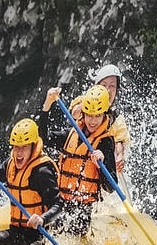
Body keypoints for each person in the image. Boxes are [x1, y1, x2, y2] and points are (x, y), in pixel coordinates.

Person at [38, 84, 119, 234]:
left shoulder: (105, 142)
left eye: (97, 116)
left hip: (82, 210)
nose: (92, 121)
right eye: (89, 115)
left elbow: (111, 187)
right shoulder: (71, 134)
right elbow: (43, 138)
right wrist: (47, 104)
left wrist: (102, 165)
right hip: (60, 203)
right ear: (83, 114)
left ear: (104, 115)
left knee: (69, 233)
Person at [0, 119, 61, 245]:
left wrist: (42, 219)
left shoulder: (42, 171)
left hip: (39, 234)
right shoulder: (10, 164)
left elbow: (58, 204)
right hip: (18, 231)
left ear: (33, 147)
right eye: (16, 147)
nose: (19, 152)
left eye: (24, 147)